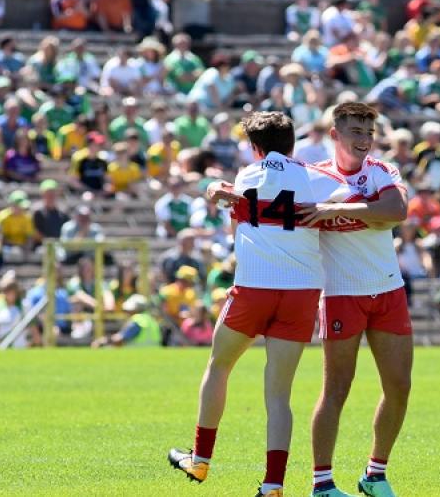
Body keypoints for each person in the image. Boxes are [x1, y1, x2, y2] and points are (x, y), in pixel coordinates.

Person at [167, 111, 356, 497]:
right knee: (278, 394)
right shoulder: (315, 176)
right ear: (293, 142)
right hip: (302, 292)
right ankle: (273, 484)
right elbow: (343, 193)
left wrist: (219, 195)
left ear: (255, 148)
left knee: (219, 366)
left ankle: (200, 460)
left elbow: (238, 206)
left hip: (253, 287)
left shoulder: (248, 175)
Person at [277, 103, 410, 496]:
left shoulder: (382, 171)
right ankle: (322, 483)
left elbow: (397, 210)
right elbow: (276, 203)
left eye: (369, 132)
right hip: (341, 295)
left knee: (399, 386)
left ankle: (375, 474)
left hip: (388, 289)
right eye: (355, 131)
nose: (364, 139)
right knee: (337, 388)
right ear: (334, 134)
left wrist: (332, 209)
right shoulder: (312, 177)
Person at [91, 294, 161, 347]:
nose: (127, 312)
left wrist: (102, 342)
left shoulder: (137, 320)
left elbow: (120, 338)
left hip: (138, 355)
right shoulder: (150, 319)